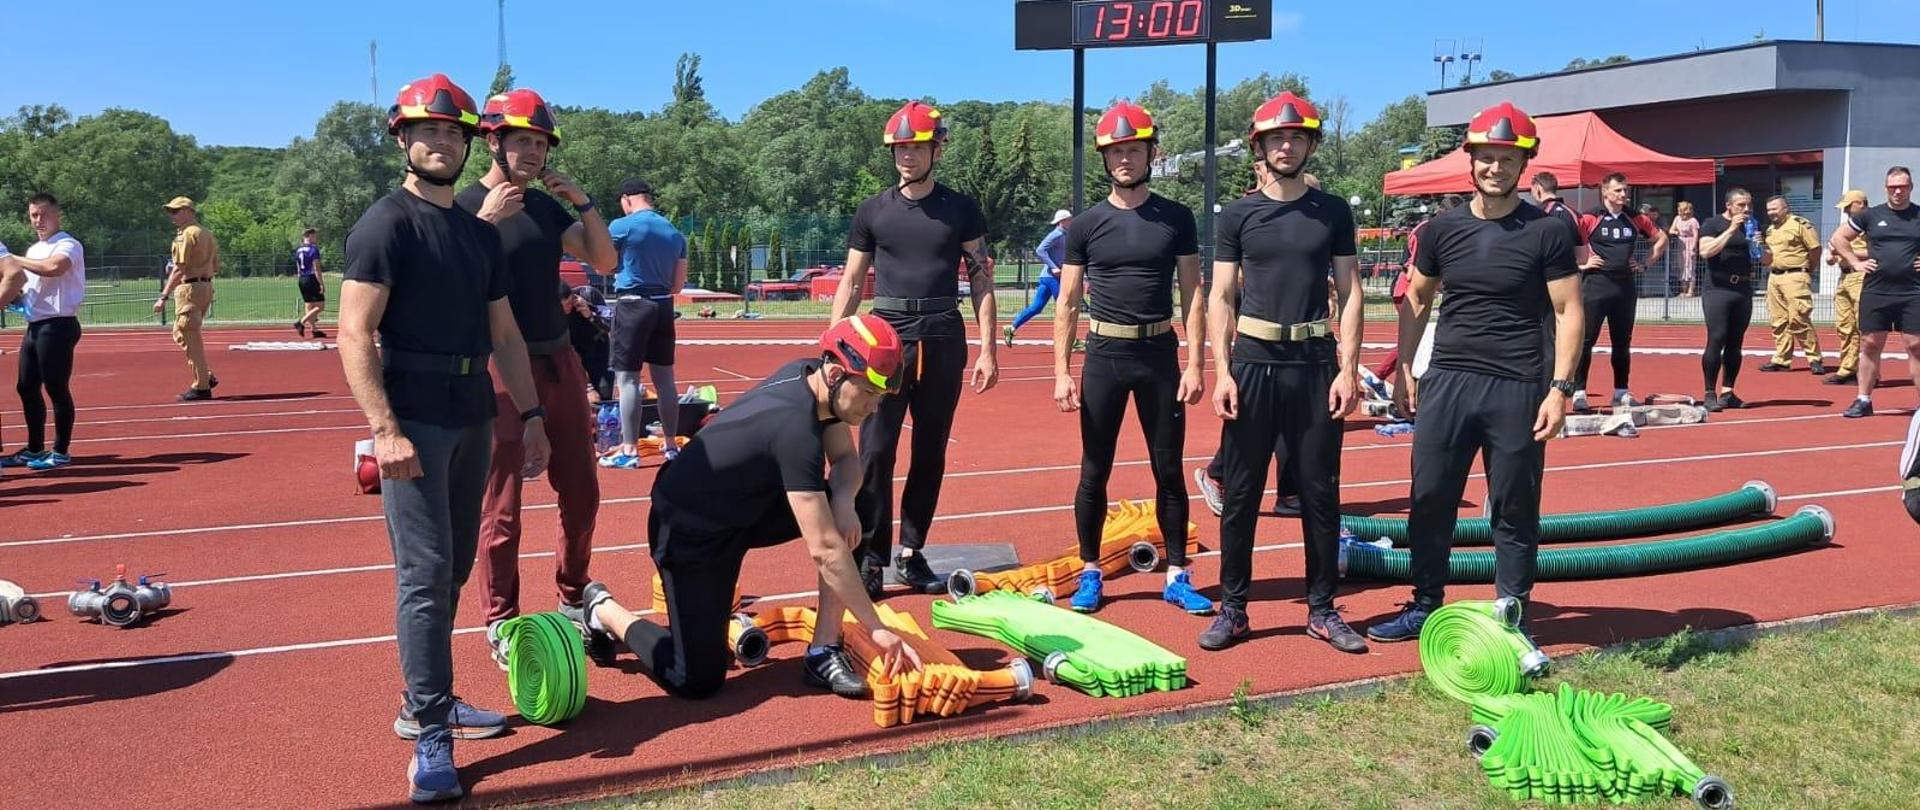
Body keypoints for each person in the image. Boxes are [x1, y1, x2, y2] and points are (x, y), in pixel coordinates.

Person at [337, 73, 550, 804]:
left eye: (454, 132)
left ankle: (424, 699)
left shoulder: (474, 232)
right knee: (425, 575)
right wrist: (384, 429)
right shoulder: (384, 225)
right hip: (414, 418)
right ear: (401, 138)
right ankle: (430, 728)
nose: (441, 142)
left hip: (472, 415)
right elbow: (355, 331)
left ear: (469, 143)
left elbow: (505, 332)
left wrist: (529, 415)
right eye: (427, 131)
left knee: (456, 564)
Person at [579, 316, 925, 698]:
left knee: (857, 500)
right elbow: (826, 550)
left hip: (743, 510)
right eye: (868, 393)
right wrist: (877, 628)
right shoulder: (795, 430)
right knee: (696, 678)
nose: (874, 408)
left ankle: (823, 649)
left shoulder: (810, 379)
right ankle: (603, 609)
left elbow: (845, 460)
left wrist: (842, 501)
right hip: (687, 529)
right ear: (835, 374)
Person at [1367, 102, 1582, 644]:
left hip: (1518, 385)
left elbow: (1568, 311)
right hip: (1448, 381)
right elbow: (1416, 298)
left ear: (1523, 164)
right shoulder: (1441, 229)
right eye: (1486, 158)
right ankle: (1424, 605)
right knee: (1430, 496)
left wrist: (1560, 390)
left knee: (1513, 504)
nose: (1495, 168)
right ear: (1472, 161)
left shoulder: (1548, 231)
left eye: (1506, 159)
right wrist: (1405, 373)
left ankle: (1513, 613)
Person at [456, 87, 618, 669]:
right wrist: (482, 224)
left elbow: (605, 262)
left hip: (559, 361)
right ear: (492, 141)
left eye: (541, 142)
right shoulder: (465, 206)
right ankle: (502, 620)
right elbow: (447, 279)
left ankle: (573, 596)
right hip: (499, 369)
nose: (533, 151)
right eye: (521, 139)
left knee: (582, 491)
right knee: (501, 506)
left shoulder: (546, 208)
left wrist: (586, 203)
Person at [1201, 92, 1365, 652]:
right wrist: (1221, 370)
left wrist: (1349, 369)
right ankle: (1235, 608)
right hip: (1253, 362)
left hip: (1316, 364)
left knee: (1320, 492)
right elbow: (1222, 295)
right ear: (1261, 146)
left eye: (1296, 137)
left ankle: (1322, 609)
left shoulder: (1334, 211)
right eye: (1276, 138)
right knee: (1242, 492)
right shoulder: (1239, 214)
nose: (1286, 145)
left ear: (1310, 144)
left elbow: (1350, 292)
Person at [1049, 100, 1211, 618]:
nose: (1125, 158)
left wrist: (1194, 362)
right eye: (1116, 150)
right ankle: (1091, 571)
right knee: (1094, 470)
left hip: (1159, 353)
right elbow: (1069, 299)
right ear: (1105, 157)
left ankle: (1177, 575)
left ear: (1150, 154)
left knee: (1169, 469)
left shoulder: (1176, 217)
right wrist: (1060, 372)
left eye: (1134, 149)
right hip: (1104, 354)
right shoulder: (1086, 225)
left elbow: (1193, 292)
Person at [831, 100, 999, 597]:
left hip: (944, 333)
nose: (907, 155)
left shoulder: (962, 210)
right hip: (885, 338)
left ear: (936, 149)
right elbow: (853, 278)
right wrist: (833, 341)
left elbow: (983, 280)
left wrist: (989, 348)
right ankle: (872, 556)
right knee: (876, 450)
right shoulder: (872, 211)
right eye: (900, 147)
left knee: (930, 449)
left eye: (916, 146)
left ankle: (913, 549)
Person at [602, 179, 688, 469]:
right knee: (665, 381)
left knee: (628, 381)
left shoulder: (621, 226)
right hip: (664, 305)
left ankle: (629, 449)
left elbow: (603, 263)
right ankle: (671, 444)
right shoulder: (675, 233)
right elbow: (678, 285)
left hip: (632, 305)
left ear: (626, 199)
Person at [1, 194, 85, 471]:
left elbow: (53, 268)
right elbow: (28, 288)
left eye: (44, 214)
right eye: (34, 215)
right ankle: (34, 448)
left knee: (56, 388)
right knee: (25, 387)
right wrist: (15, 297)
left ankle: (60, 451)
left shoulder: (68, 244)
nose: (39, 220)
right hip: (36, 324)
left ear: (57, 214)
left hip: (58, 324)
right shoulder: (34, 248)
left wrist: (12, 260)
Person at [1572, 173, 1666, 412]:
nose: (1624, 195)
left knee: (1622, 342)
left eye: (1625, 190)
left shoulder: (1635, 218)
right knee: (1586, 341)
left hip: (1624, 288)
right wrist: (1581, 263)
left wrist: (1645, 263)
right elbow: (1565, 241)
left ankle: (1621, 391)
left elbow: (1662, 238)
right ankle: (1579, 392)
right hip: (1595, 286)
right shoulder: (1591, 217)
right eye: (1618, 190)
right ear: (1605, 192)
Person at [1831, 166, 1920, 418]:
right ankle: (1863, 399)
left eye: (1903, 186)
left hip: (1913, 291)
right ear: (1886, 188)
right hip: (1876, 290)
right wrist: (1855, 262)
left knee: (1916, 346)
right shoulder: (1869, 215)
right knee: (1870, 344)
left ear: (1911, 187)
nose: (1898, 191)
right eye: (1893, 187)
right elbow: (1839, 238)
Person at [1696, 189, 1763, 412]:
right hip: (1718, 289)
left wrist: (1761, 246)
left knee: (1736, 342)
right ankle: (1709, 393)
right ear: (1729, 205)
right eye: (1741, 205)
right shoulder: (1712, 224)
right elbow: (1705, 251)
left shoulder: (1752, 226)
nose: (1746, 210)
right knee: (1717, 337)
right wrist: (1732, 229)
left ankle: (1728, 391)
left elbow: (1767, 260)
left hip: (1743, 289)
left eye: (1749, 205)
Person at [156, 196, 220, 401]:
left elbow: (179, 268)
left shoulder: (186, 235)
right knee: (182, 332)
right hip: (205, 285)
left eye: (176, 211)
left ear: (189, 211)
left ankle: (202, 386)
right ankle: (205, 376)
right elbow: (216, 265)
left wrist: (163, 296)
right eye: (171, 212)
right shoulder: (207, 234)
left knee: (190, 336)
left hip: (190, 288)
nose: (172, 216)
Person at [1756, 195, 1826, 375]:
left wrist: (1809, 269)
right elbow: (1768, 257)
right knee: (1778, 321)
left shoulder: (1799, 224)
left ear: (1785, 208)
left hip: (1795, 276)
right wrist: (1759, 246)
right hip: (1774, 277)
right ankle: (1782, 359)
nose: (1771, 213)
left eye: (1775, 209)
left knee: (1798, 318)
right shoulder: (1770, 230)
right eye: (1769, 209)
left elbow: (1815, 249)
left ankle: (1814, 358)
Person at [1005, 209, 1072, 345]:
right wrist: (1053, 266)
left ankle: (1011, 328)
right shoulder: (1056, 234)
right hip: (1052, 278)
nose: (1071, 221)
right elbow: (1040, 250)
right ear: (1062, 221)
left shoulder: (1066, 235)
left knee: (1037, 307)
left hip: (1047, 277)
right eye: (1069, 219)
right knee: (1064, 306)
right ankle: (1070, 339)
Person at [1825, 190, 1870, 386]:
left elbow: (1875, 251)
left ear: (1860, 204)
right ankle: (1848, 367)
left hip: (1861, 276)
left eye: (1848, 206)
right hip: (1844, 277)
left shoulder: (1871, 224)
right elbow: (1835, 252)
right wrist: (1832, 257)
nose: (1845, 211)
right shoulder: (1847, 227)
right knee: (1845, 325)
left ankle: (1869, 371)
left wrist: (1848, 252)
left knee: (1864, 326)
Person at [564, 283, 614, 405]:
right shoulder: (553, 312)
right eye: (562, 306)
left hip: (598, 352)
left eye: (569, 304)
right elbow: (569, 352)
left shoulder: (590, 294)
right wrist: (588, 387)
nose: (566, 309)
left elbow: (609, 324)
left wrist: (590, 313)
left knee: (603, 394)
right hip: (573, 357)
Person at [294, 228, 327, 338]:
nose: (316, 238)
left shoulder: (298, 250)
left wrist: (300, 280)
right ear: (309, 236)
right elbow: (316, 268)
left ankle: (314, 329)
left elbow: (298, 267)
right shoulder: (313, 249)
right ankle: (301, 322)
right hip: (311, 278)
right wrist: (321, 283)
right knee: (321, 306)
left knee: (309, 305)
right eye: (315, 236)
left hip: (302, 278)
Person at [1669, 201, 1701, 297]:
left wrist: (1694, 247)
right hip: (1680, 243)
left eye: (1680, 209)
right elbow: (1671, 230)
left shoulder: (1693, 221)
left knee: (1690, 267)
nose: (1678, 211)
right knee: (1681, 267)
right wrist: (1676, 233)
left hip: (1690, 242)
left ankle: (1691, 291)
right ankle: (1683, 290)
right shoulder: (1677, 218)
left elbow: (1696, 235)